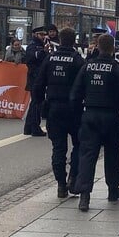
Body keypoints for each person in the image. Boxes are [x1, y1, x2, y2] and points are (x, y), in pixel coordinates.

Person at [69, 33, 119, 211]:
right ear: (113, 47)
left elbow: (75, 94)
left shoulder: (87, 67)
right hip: (111, 116)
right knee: (113, 155)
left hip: (90, 114)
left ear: (97, 46)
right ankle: (113, 190)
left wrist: (77, 116)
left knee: (87, 155)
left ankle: (84, 196)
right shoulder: (117, 69)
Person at [33, 27, 85, 198]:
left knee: (58, 148)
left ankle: (61, 184)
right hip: (74, 109)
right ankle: (73, 176)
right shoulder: (77, 60)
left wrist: (41, 105)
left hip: (54, 107)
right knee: (79, 144)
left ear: (60, 40)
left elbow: (39, 85)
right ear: (73, 41)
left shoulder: (50, 58)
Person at [23, 26, 48, 136]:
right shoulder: (33, 46)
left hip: (39, 78)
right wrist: (44, 51)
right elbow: (34, 58)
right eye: (41, 35)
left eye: (44, 34)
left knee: (35, 103)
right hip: (35, 78)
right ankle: (34, 127)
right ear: (35, 35)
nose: (43, 37)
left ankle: (29, 127)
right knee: (36, 103)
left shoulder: (41, 45)